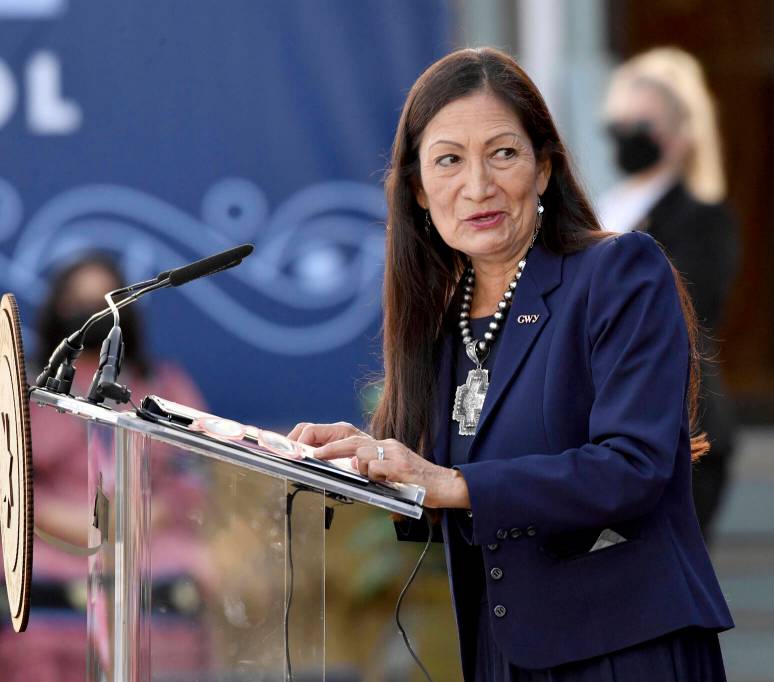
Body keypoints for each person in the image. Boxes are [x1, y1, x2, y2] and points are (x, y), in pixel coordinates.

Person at [290, 47, 733, 681]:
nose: (478, 186)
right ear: (418, 189)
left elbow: (634, 466)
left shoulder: (619, 272)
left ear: (543, 168)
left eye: (502, 153)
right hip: (504, 656)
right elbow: (448, 488)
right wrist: (366, 460)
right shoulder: (444, 319)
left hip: (623, 649)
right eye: (449, 160)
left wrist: (454, 484)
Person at [0, 256, 209, 681]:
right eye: (79, 301)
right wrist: (83, 527)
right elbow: (10, 482)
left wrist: (134, 522)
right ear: (57, 308)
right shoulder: (28, 388)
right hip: (50, 553)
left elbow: (191, 475)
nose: (90, 311)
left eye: (103, 301)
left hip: (148, 549)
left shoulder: (163, 383)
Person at [598, 47, 740, 543]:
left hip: (677, 431)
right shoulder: (604, 206)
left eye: (644, 123)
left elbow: (685, 309)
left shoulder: (701, 217)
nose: (628, 134)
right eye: (621, 121)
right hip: (611, 428)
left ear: (681, 133)